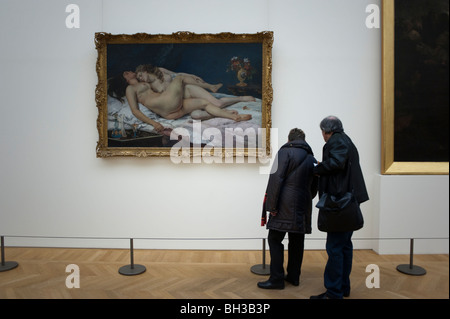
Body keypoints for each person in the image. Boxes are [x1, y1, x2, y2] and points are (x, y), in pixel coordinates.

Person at [310, 116, 369, 299]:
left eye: (322, 132)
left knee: (335, 247)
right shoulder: (346, 140)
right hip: (347, 200)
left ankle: (334, 292)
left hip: (340, 202)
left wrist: (317, 168)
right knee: (344, 246)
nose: (322, 135)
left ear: (326, 131)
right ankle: (343, 287)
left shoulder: (336, 141)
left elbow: (336, 163)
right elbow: (340, 165)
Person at [258, 128, 318, 290]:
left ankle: (276, 279)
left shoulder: (285, 152)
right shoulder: (312, 158)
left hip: (284, 204)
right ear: (303, 140)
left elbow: (275, 179)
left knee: (274, 239)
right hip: (303, 205)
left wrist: (271, 206)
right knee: (297, 241)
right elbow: (314, 187)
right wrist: (305, 199)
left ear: (289, 139)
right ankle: (293, 277)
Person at [113, 71, 253, 133]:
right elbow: (135, 110)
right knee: (179, 78)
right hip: (165, 103)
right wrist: (154, 123)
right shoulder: (130, 88)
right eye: (128, 72)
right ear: (125, 77)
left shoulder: (144, 81)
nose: (131, 72)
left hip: (170, 112)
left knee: (204, 102)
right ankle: (210, 86)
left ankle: (233, 116)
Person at [135, 64, 223, 93]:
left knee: (188, 79)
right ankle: (210, 87)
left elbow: (176, 74)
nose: (141, 78)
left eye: (140, 75)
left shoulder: (160, 70)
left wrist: (192, 75)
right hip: (177, 95)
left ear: (145, 71)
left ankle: (211, 86)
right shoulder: (150, 86)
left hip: (185, 85)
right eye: (139, 78)